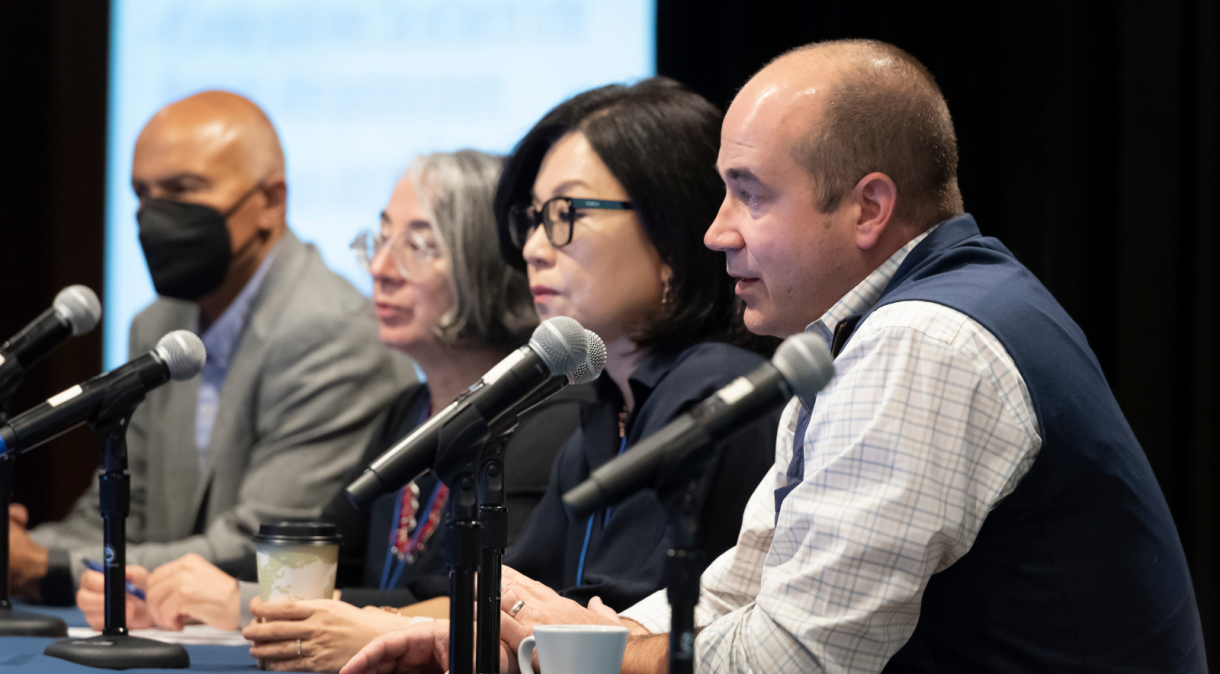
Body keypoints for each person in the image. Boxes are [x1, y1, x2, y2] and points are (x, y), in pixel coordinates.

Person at [344, 40, 1208, 674]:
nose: (719, 231)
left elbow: (791, 662)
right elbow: (742, 592)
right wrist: (516, 645)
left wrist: (554, 648)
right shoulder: (858, 333)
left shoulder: (927, 340)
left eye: (750, 195)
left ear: (869, 208)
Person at [76, 150, 593, 674]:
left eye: (416, 245)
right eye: (381, 239)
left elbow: (492, 602)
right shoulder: (409, 411)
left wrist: (235, 601)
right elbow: (322, 550)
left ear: (488, 264)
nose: (379, 268)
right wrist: (177, 589)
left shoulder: (551, 419)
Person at [341, 77, 782, 672]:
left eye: (565, 213)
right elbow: (508, 592)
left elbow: (598, 624)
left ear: (671, 232)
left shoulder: (714, 391)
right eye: (533, 219)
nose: (533, 249)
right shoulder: (604, 408)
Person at [6, 91, 414, 605]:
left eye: (183, 189)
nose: (153, 216)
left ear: (270, 202)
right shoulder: (160, 323)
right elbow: (127, 507)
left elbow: (262, 543)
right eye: (142, 194)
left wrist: (43, 566)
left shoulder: (331, 332)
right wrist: (20, 549)